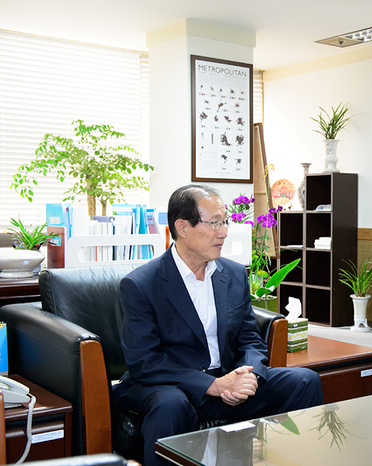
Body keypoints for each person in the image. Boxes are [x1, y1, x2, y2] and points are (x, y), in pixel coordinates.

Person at [112, 184, 323, 466]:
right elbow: (144, 362)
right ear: (182, 227)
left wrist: (248, 376)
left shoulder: (233, 274)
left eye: (225, 222)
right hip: (171, 384)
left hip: (227, 378)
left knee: (305, 381)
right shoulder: (142, 284)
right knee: (170, 405)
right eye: (214, 223)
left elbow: (249, 338)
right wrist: (212, 385)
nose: (223, 232)